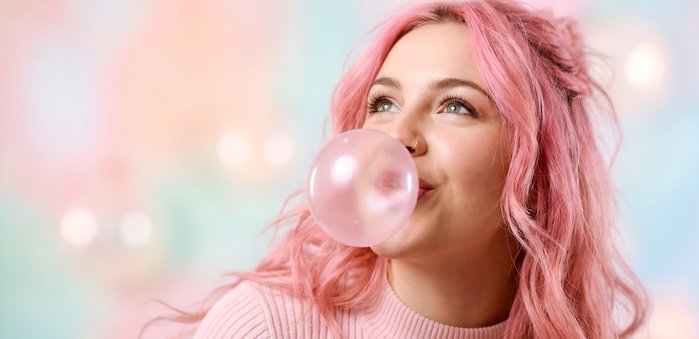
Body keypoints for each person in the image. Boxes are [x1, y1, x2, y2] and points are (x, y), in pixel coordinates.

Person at [177, 0, 649, 338]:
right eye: (383, 102)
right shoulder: (265, 327)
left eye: (456, 107)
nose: (398, 136)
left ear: (536, 162)